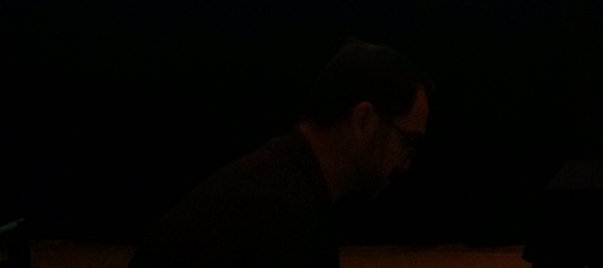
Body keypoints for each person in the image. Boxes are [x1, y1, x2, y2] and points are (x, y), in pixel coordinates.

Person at [127, 40, 431, 268]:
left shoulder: (278, 185)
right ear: (363, 120)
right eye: (408, 141)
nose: (407, 163)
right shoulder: (276, 221)